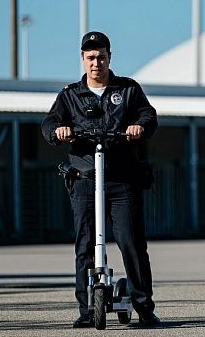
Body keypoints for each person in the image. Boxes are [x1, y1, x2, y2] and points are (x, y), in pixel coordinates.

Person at [41, 31, 160, 328]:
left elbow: (149, 115)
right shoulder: (69, 95)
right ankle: (85, 310)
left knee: (131, 243)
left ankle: (144, 308)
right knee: (85, 245)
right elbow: (50, 122)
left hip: (121, 178)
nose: (97, 62)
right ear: (82, 59)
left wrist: (138, 127)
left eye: (102, 56)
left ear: (110, 57)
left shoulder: (128, 89)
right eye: (91, 57)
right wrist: (58, 132)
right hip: (84, 178)